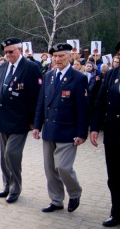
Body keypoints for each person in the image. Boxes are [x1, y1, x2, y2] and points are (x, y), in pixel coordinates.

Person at [32, 43, 89, 213]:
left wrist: (81, 133)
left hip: (67, 130)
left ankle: (74, 192)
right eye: (54, 56)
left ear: (70, 57)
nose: (57, 59)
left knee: (63, 167)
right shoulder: (48, 75)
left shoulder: (78, 78)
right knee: (50, 169)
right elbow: (41, 103)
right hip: (49, 129)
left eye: (61, 56)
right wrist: (37, 125)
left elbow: (83, 108)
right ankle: (56, 200)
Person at [0, 37, 42, 203]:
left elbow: (36, 97)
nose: (8, 55)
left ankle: (15, 188)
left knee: (12, 153)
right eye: (5, 53)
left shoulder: (31, 67)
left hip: (21, 119)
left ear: (20, 50)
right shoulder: (3, 67)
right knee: (4, 156)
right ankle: (6, 185)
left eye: (11, 51)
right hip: (4, 118)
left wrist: (35, 122)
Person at [90, 36, 120, 229]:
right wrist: (93, 128)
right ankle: (117, 213)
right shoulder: (112, 74)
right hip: (113, 134)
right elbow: (100, 102)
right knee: (114, 176)